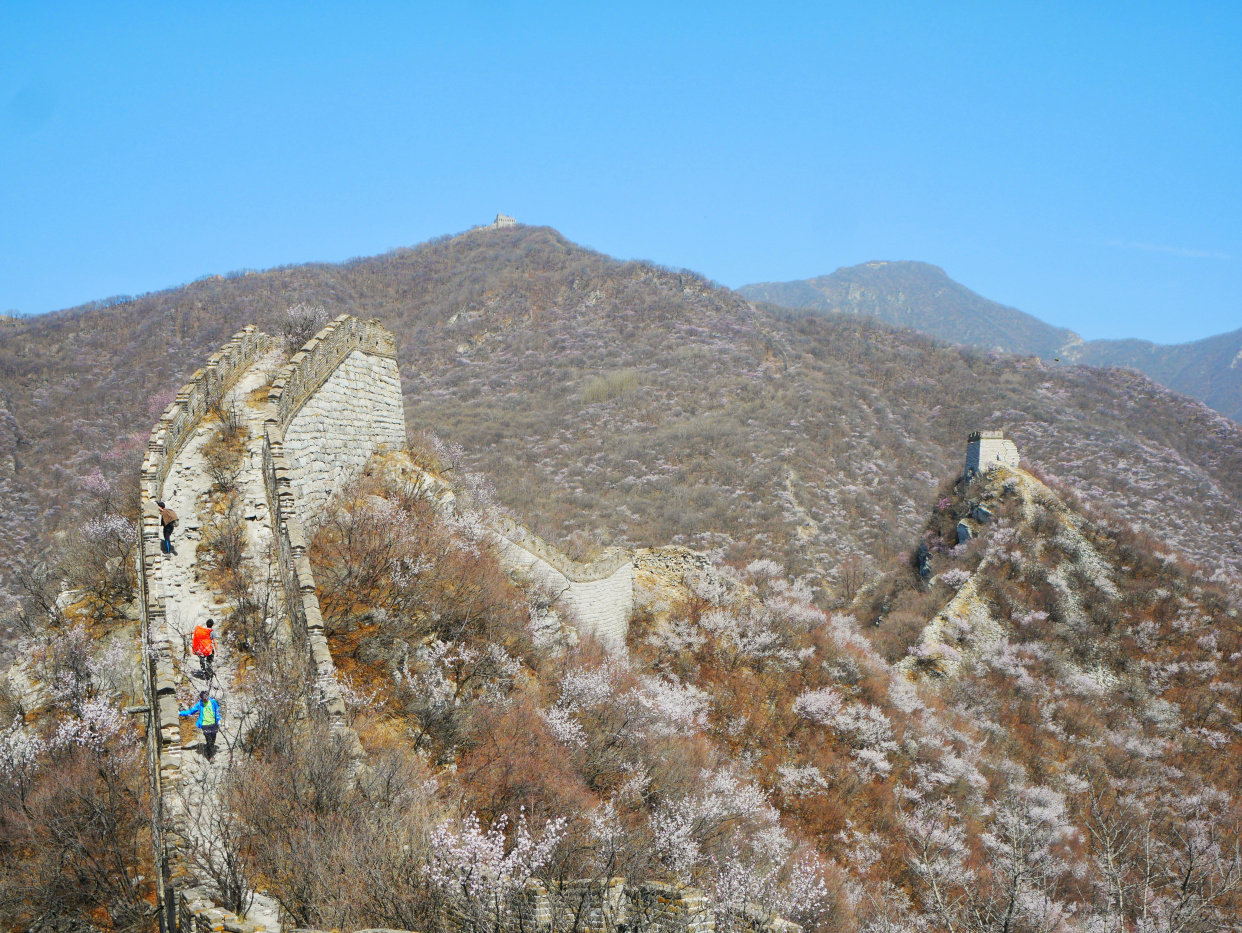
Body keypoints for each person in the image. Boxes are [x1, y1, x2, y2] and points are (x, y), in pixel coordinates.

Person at [180, 690, 221, 757]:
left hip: (213, 724)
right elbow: (191, 711)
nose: (206, 699)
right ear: (202, 698)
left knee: (213, 740)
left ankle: (209, 750)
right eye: (204, 698)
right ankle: (211, 757)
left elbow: (217, 710)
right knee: (209, 740)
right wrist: (181, 713)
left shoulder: (213, 702)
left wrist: (218, 719)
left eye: (206, 698)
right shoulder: (200, 704)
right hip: (205, 724)